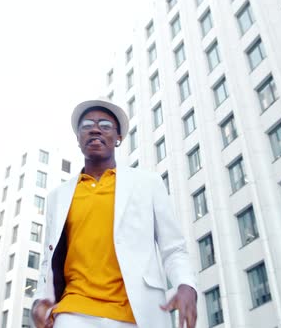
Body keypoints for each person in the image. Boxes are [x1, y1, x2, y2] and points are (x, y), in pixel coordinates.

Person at [32, 99, 197, 328]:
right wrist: (40, 299)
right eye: (87, 125)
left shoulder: (148, 183)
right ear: (78, 139)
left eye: (106, 125)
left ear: (118, 138)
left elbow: (173, 247)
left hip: (136, 313)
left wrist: (186, 285)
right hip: (73, 311)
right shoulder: (57, 197)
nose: (95, 129)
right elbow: (48, 260)